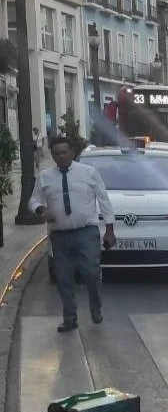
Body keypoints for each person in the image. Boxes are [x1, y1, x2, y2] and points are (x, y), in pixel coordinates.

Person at [29, 136, 115, 332]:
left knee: (91, 273)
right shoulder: (45, 177)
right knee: (64, 278)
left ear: (73, 153)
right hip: (60, 236)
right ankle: (70, 318)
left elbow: (104, 201)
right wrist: (42, 210)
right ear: (52, 155)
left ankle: (96, 306)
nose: (61, 157)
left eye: (64, 152)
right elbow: (33, 201)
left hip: (86, 232)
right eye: (56, 153)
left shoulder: (89, 173)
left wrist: (110, 230)